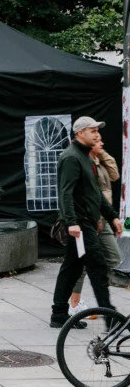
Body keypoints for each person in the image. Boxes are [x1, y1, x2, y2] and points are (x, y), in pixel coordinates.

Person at [50, 117, 123, 329]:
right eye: (93, 131)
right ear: (80, 133)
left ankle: (59, 315)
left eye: (98, 131)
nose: (97, 135)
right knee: (97, 266)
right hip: (79, 226)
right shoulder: (72, 157)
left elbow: (96, 194)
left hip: (87, 223)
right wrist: (71, 222)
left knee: (72, 268)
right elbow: (65, 193)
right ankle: (110, 318)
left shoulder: (86, 157)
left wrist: (112, 216)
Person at [68, 135, 123, 316]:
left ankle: (99, 293)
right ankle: (75, 304)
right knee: (84, 263)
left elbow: (115, 174)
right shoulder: (82, 163)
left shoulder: (98, 161)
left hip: (104, 216)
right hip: (91, 218)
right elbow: (86, 195)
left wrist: (102, 153)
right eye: (97, 140)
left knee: (113, 258)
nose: (102, 142)